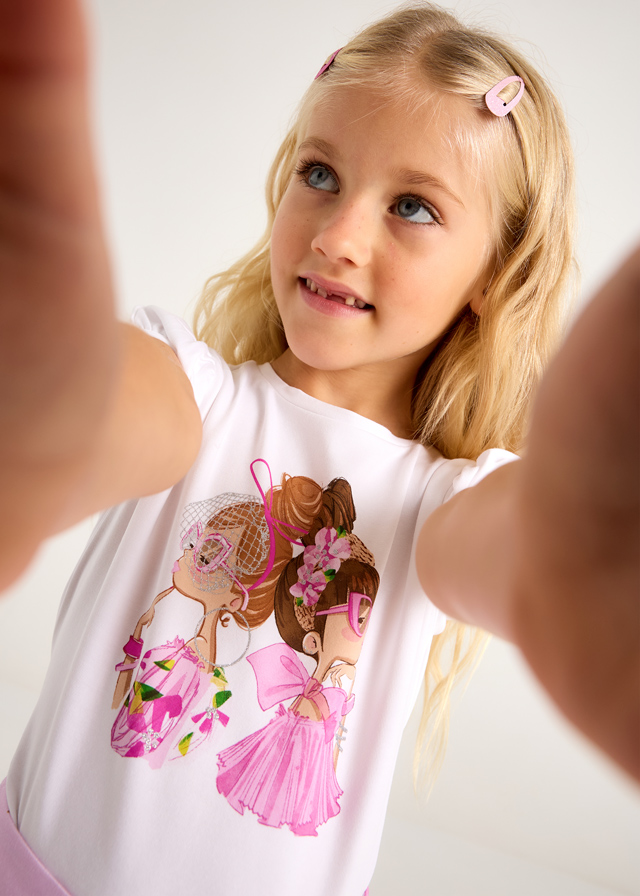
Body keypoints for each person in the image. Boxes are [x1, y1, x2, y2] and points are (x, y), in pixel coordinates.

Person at [0, 1, 637, 895]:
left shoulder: (437, 508)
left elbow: (516, 549)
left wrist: (584, 558)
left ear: (496, 273)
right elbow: (99, 410)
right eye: (321, 174)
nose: (337, 236)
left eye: (412, 206)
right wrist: (46, 406)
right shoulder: (195, 396)